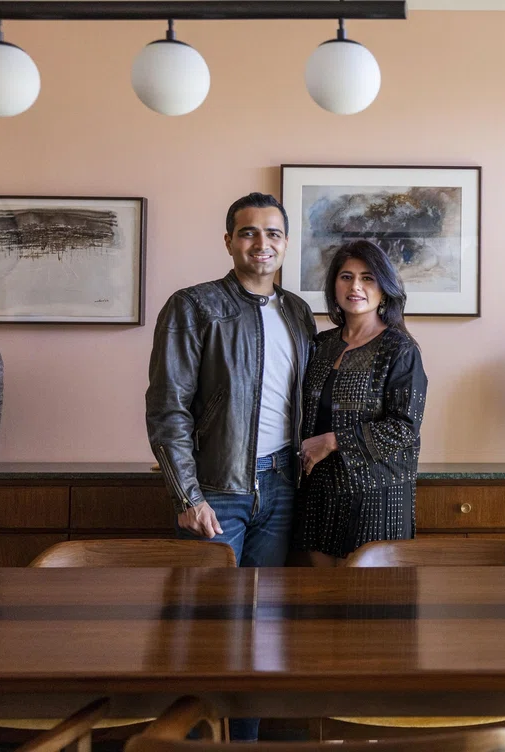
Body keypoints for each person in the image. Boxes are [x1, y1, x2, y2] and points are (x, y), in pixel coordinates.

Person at [145, 193, 315, 740]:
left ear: (286, 244)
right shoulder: (193, 306)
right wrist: (187, 495)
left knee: (261, 629)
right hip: (217, 492)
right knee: (205, 628)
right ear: (228, 241)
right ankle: (194, 741)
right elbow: (167, 408)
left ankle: (243, 741)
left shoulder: (298, 312)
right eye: (248, 233)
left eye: (272, 234)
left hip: (282, 489)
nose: (261, 244)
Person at [297, 239, 428, 566]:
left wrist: (332, 441)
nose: (355, 286)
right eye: (346, 277)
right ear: (334, 286)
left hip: (376, 495)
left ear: (384, 289)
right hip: (319, 494)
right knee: (318, 603)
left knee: (369, 605)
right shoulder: (321, 345)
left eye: (367, 278)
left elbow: (404, 427)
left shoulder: (400, 350)